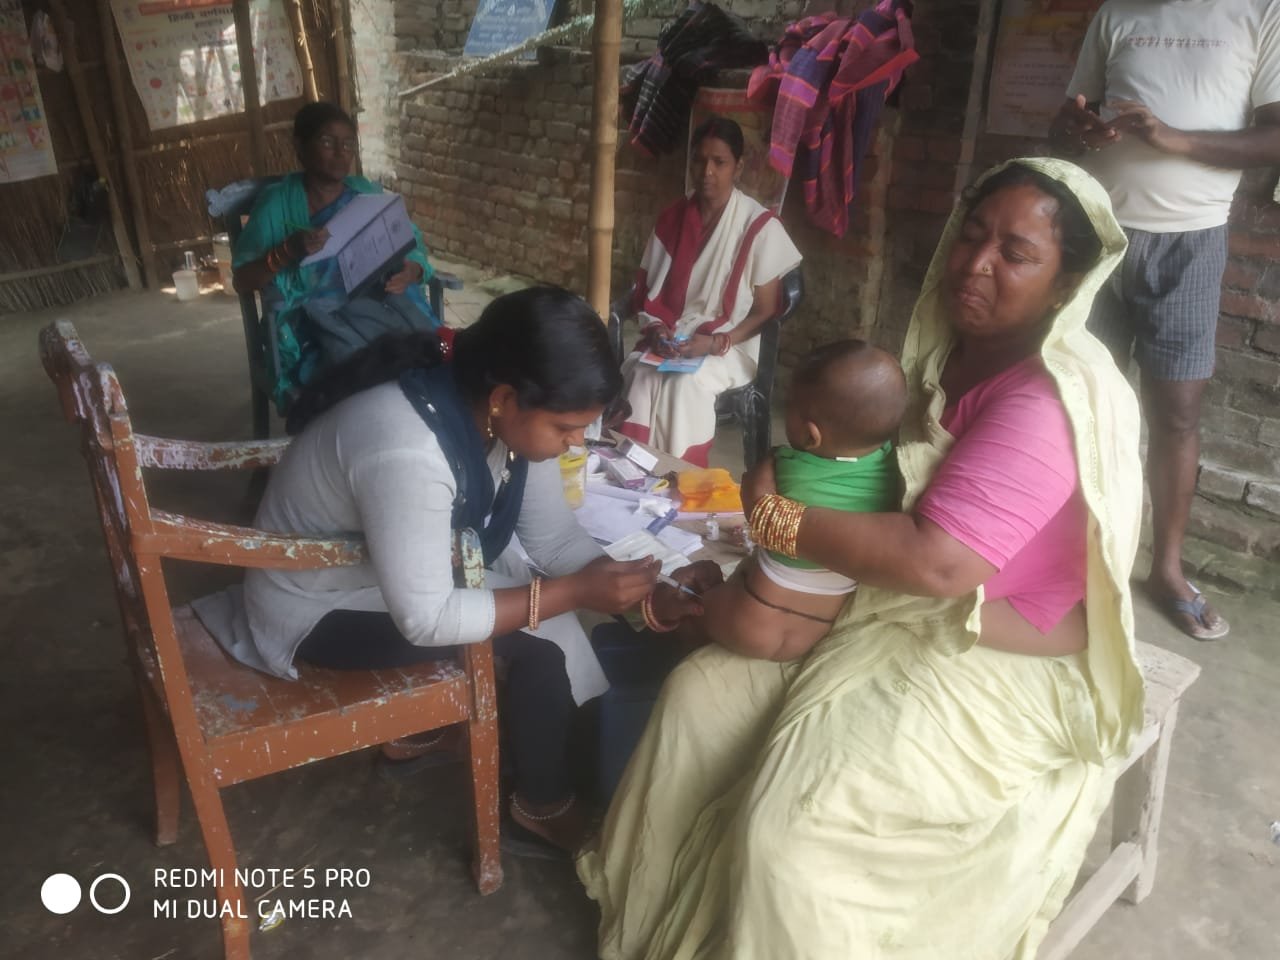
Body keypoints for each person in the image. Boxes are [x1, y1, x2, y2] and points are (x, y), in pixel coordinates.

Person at [577, 159, 1148, 958]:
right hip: (888, 605)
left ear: (1067, 283)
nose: (977, 264)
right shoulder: (948, 354)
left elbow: (940, 565)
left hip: (995, 646)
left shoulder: (1047, 399)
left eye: (1016, 253)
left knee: (793, 838)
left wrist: (777, 520)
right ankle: (653, 927)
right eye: (972, 237)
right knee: (696, 698)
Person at [193, 287, 708, 856]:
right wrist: (574, 593)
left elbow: (554, 539)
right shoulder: (407, 447)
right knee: (539, 649)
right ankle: (541, 806)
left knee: (539, 608)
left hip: (387, 573)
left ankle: (427, 732)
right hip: (313, 603)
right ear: (505, 397)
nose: (574, 444)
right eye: (566, 428)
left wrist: (645, 588)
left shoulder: (505, 422)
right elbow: (427, 618)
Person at [1049, 0, 1280, 639]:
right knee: (1075, 403)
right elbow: (1064, 123)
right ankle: (1067, 558)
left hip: (1191, 242)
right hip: (1099, 233)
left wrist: (1172, 137)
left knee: (1175, 415)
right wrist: (1079, 130)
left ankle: (1166, 569)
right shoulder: (1117, 13)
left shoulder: (1261, 14)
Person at [691, 339, 906, 662]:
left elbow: (752, 498)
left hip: (750, 617)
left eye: (789, 405)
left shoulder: (784, 468)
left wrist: (769, 460)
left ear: (811, 435)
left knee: (692, 606)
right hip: (817, 633)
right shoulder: (893, 468)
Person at [617, 116, 803, 466]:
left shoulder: (757, 225)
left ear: (738, 167)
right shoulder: (673, 219)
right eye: (700, 160)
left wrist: (717, 342)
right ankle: (635, 474)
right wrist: (658, 330)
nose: (707, 172)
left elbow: (766, 309)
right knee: (640, 375)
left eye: (719, 162)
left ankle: (679, 475)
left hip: (731, 344)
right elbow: (650, 291)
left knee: (684, 385)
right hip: (677, 337)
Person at [232, 101, 440, 411]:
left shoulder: (366, 195)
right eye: (328, 142)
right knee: (363, 373)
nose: (341, 153)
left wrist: (413, 271)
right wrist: (287, 251)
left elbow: (413, 246)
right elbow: (242, 280)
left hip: (380, 306)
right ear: (300, 147)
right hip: (313, 321)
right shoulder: (277, 204)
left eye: (348, 144)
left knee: (427, 353)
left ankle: (415, 418)